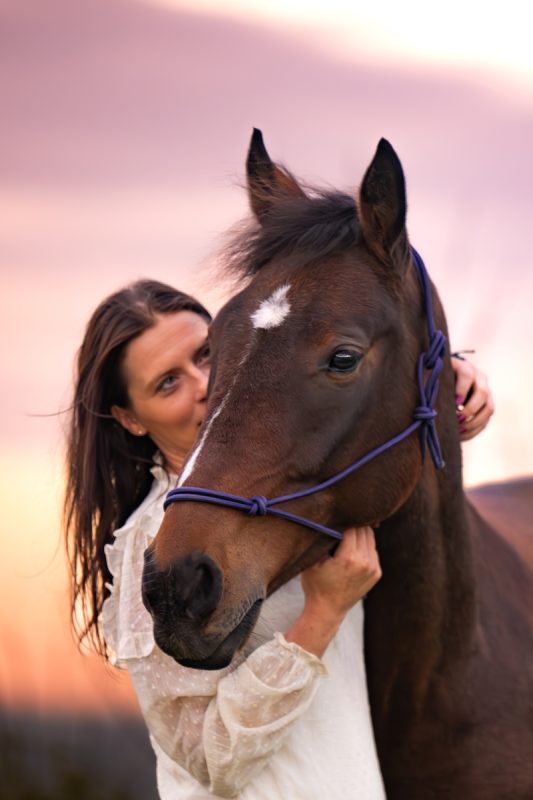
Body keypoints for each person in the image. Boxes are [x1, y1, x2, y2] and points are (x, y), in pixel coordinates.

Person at [64, 279, 494, 799]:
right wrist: (322, 614)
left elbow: (367, 443)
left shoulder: (285, 496)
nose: (203, 384)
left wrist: (445, 382)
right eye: (168, 383)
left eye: (207, 354)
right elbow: (208, 758)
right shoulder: (156, 550)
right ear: (131, 420)